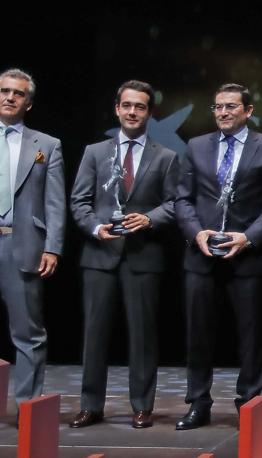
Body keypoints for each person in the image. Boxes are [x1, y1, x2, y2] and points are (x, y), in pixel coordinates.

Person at [174, 83, 262, 430]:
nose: (223, 112)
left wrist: (248, 237)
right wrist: (196, 233)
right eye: (218, 107)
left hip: (248, 257)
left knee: (251, 337)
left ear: (248, 111)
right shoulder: (196, 146)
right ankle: (198, 403)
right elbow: (182, 199)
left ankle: (248, 404)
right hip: (202, 255)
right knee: (198, 333)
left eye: (231, 107)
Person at [68, 80, 179, 429]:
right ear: (117, 108)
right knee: (94, 334)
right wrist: (95, 227)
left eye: (140, 107)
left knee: (143, 336)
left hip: (143, 256)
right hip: (99, 254)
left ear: (149, 112)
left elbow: (176, 204)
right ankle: (90, 405)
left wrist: (149, 218)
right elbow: (79, 201)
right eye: (127, 105)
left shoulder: (167, 157)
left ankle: (142, 405)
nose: (133, 112)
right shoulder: (94, 152)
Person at [0, 68, 64, 406]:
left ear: (29, 102)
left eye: (18, 93)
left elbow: (55, 202)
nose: (9, 97)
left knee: (27, 333)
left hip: (22, 243)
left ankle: (27, 407)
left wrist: (52, 247)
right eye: (4, 90)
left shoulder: (47, 145)